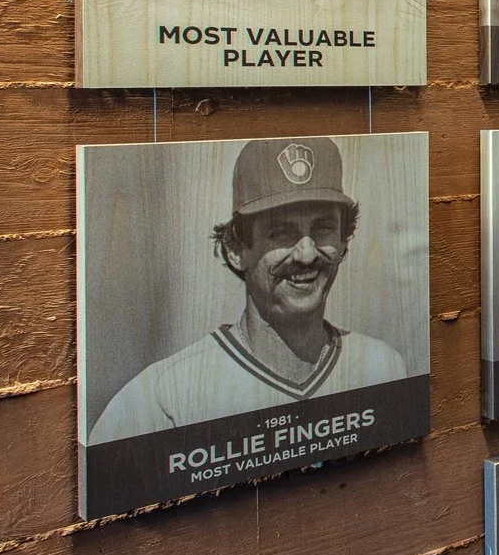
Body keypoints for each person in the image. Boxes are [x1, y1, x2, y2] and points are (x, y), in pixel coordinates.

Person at [89, 137, 407, 442]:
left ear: (343, 241)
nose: (307, 254)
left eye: (323, 229)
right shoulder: (159, 399)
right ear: (237, 249)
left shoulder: (382, 367)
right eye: (281, 232)